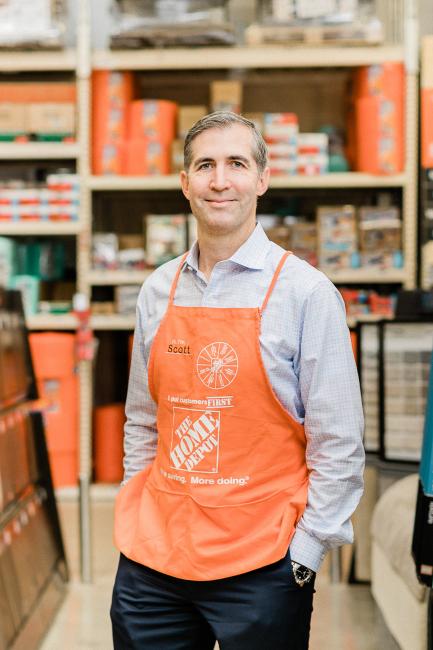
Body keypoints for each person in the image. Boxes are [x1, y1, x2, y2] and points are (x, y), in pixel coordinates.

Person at [110, 111, 365, 650]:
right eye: (205, 165)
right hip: (154, 559)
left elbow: (338, 442)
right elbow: (143, 419)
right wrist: (135, 510)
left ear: (262, 179)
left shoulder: (306, 293)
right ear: (185, 183)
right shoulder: (158, 290)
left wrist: (305, 555)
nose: (220, 180)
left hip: (263, 564)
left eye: (236, 164)